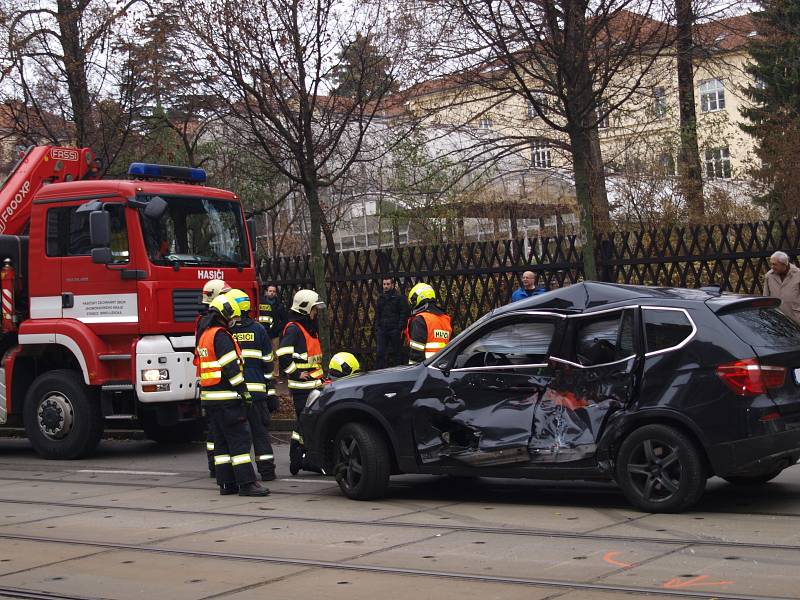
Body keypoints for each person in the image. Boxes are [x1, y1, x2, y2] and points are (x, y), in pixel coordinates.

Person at [195, 294, 269, 497]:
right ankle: (247, 484)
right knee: (239, 440)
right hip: (228, 399)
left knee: (221, 442)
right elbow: (231, 368)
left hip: (211, 399)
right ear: (225, 315)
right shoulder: (221, 335)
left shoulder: (205, 335)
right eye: (232, 317)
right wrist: (244, 392)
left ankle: (226, 484)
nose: (233, 321)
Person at [228, 288, 277, 482]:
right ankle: (267, 471)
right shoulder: (259, 329)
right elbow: (268, 362)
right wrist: (270, 392)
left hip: (235, 394)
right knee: (260, 434)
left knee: (238, 436)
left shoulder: (227, 331)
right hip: (257, 393)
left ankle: (238, 474)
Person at [277, 289, 325, 475]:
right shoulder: (294, 328)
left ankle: (300, 459)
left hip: (314, 385)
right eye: (314, 309)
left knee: (306, 423)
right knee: (305, 424)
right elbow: (282, 355)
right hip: (302, 388)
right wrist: (296, 374)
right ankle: (299, 459)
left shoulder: (307, 328)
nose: (316, 312)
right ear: (305, 309)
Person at [195, 278, 231, 478]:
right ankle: (215, 465)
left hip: (209, 383)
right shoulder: (210, 322)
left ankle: (215, 466)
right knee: (215, 431)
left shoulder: (204, 320)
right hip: (216, 383)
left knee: (214, 429)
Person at [405, 282, 452, 365]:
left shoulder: (420, 319)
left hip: (426, 369)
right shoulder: (446, 319)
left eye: (413, 301)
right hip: (443, 367)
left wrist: (412, 369)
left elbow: (416, 352)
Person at [375, 277, 409, 369]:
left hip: (394, 329)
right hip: (382, 329)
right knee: (380, 352)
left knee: (397, 353)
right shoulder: (381, 298)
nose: (385, 286)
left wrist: (400, 327)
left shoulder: (399, 298)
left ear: (392, 285)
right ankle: (378, 372)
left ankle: (398, 372)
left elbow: (404, 312)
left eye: (388, 284)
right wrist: (377, 327)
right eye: (384, 284)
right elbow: (377, 313)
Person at [259, 284, 288, 379]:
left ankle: (275, 375)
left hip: (274, 334)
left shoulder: (279, 305)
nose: (272, 293)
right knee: (264, 354)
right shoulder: (260, 303)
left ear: (276, 293)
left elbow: (284, 319)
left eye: (274, 291)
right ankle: (265, 373)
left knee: (276, 356)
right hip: (262, 333)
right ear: (266, 292)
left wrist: (278, 329)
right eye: (270, 291)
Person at [763, 251, 800, 323]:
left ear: (784, 264)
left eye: (775, 264)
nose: (772, 267)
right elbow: (766, 297)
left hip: (796, 317)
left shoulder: (798, 274)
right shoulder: (769, 276)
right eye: (771, 264)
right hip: (777, 319)